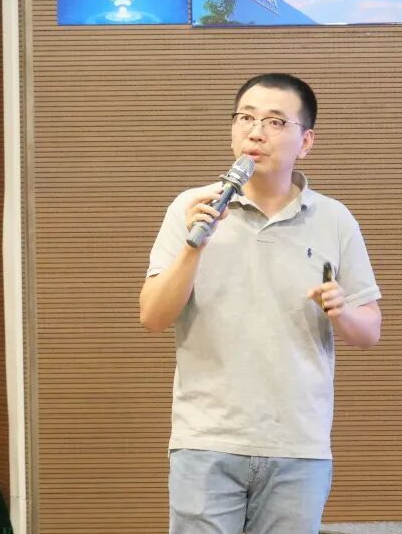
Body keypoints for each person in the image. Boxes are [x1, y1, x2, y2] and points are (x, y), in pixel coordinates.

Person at [139, 73, 382, 533]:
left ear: (305, 141)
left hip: (298, 444)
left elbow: (370, 331)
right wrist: (194, 246)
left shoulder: (333, 219)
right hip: (207, 438)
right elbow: (152, 316)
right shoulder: (192, 208)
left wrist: (343, 311)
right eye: (245, 118)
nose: (255, 132)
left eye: (275, 122)